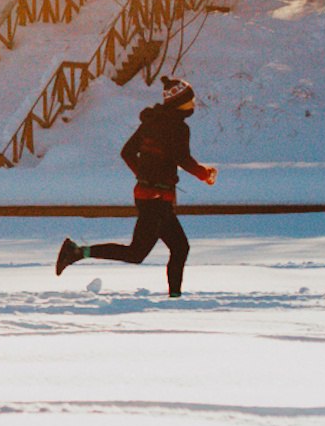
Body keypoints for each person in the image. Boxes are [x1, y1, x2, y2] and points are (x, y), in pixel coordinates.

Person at [56, 75, 218, 297]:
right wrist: (204, 174)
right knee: (138, 253)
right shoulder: (178, 127)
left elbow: (127, 152)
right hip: (157, 198)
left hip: (148, 195)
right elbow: (183, 158)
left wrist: (144, 175)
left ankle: (175, 297)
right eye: (190, 99)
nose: (194, 103)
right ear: (180, 102)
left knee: (178, 248)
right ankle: (75, 252)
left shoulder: (152, 122)